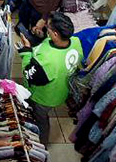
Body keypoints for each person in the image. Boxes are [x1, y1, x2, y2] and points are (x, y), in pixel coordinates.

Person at [17, 11, 82, 140]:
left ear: (56, 34)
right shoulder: (75, 41)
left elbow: (29, 74)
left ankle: (42, 142)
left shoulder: (49, 62)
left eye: (49, 28)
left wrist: (26, 51)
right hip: (60, 91)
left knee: (41, 119)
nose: (46, 28)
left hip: (43, 98)